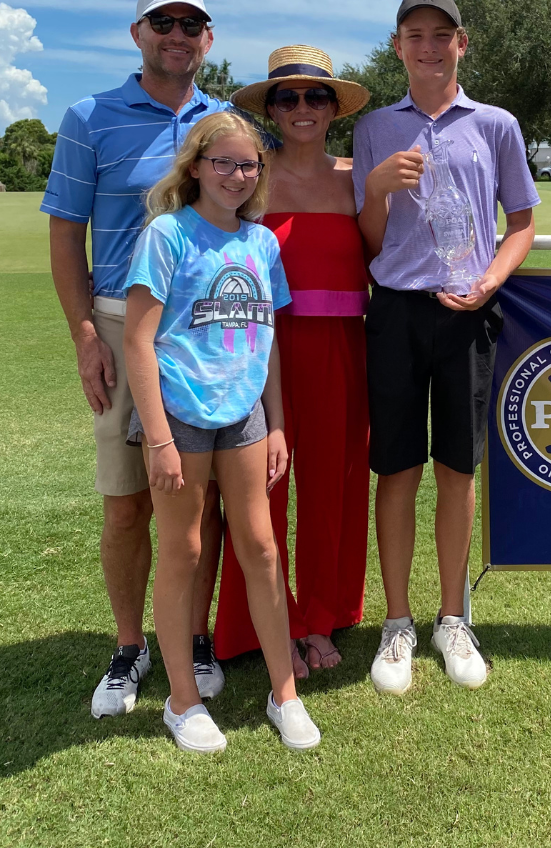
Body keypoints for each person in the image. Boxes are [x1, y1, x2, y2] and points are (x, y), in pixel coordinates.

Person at [41, 0, 228, 718]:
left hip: (206, 326)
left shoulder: (225, 120)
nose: (177, 33)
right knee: (127, 505)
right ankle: (130, 645)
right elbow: (65, 232)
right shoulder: (90, 117)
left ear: (207, 40)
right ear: (138, 32)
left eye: (192, 23)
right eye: (163, 22)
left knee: (201, 501)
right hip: (122, 322)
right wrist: (85, 332)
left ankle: (196, 632)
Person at [353, 0, 539, 694]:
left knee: (459, 470)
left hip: (468, 314)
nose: (428, 47)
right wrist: (374, 188)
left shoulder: (495, 125)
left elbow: (520, 222)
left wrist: (490, 280)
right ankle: (397, 622)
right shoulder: (374, 128)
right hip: (396, 312)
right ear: (397, 47)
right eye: (414, 35)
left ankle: (452, 616)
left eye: (442, 34)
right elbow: (369, 239)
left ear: (463, 43)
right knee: (397, 468)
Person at [123, 110, 320, 753]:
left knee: (260, 548)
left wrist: (281, 425)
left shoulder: (261, 244)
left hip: (246, 415)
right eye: (224, 163)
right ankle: (182, 701)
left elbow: (269, 341)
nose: (237, 175)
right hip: (179, 416)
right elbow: (139, 341)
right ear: (196, 168)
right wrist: (156, 437)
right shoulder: (167, 234)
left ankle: (283, 691)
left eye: (248, 165)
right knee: (182, 550)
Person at [214, 46, 371, 678]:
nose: (301, 108)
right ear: (271, 109)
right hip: (259, 351)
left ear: (334, 107)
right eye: (287, 97)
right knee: (261, 492)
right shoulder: (250, 176)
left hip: (343, 347)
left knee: (334, 488)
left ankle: (322, 617)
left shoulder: (359, 176)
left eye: (315, 96)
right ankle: (264, 621)